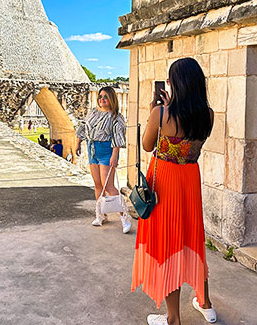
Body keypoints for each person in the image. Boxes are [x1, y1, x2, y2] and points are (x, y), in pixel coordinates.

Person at [132, 58, 216, 325]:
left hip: (165, 183)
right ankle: (205, 303)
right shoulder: (208, 115)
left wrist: (153, 111)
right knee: (192, 240)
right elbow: (189, 136)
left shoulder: (161, 114)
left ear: (175, 83)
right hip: (189, 180)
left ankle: (173, 318)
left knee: (168, 245)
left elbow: (147, 145)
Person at [75, 86, 131, 234]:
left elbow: (117, 138)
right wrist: (77, 143)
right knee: (98, 185)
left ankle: (124, 216)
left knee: (109, 186)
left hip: (107, 150)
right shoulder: (94, 112)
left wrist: (114, 155)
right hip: (92, 149)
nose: (102, 99)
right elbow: (84, 127)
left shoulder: (116, 117)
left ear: (111, 98)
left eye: (105, 96)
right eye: (100, 96)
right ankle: (101, 214)